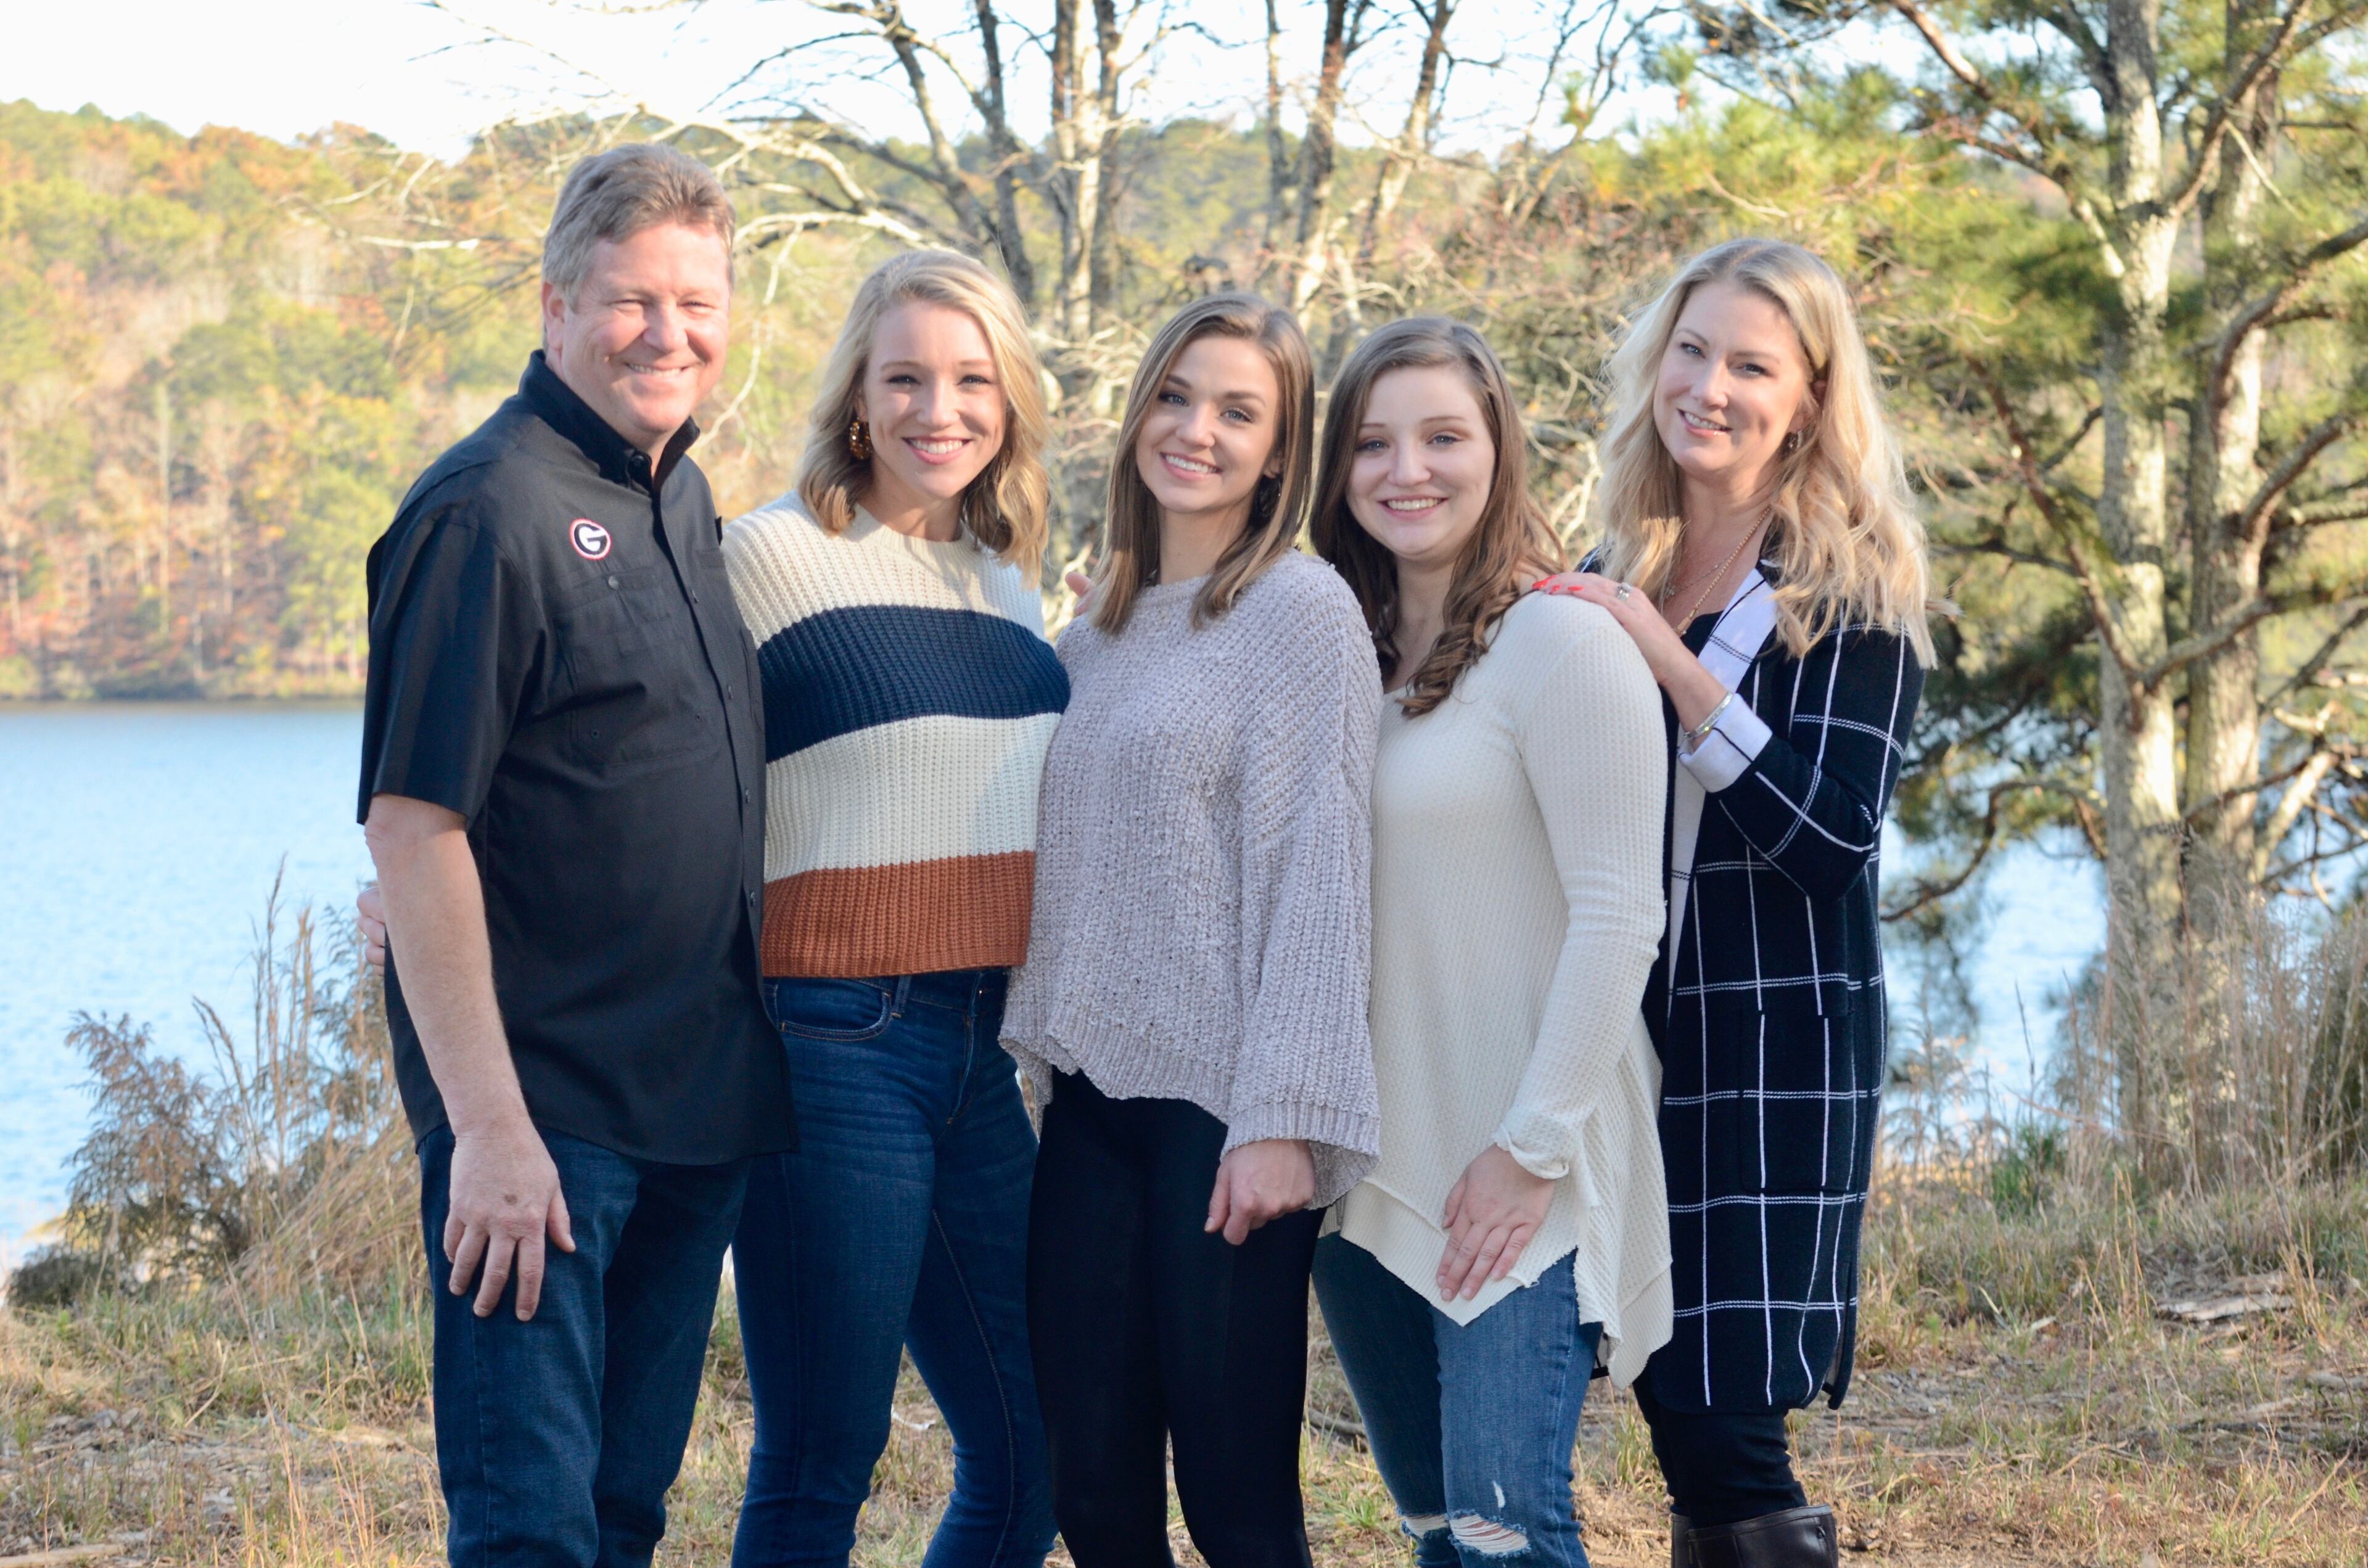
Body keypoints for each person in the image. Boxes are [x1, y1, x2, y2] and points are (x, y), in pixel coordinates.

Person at [356, 143, 792, 1568]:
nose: (670, 335)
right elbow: (416, 829)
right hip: (542, 1126)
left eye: (699, 305)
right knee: (531, 1528)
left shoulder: (682, 494)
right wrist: (484, 1130)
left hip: (690, 1106)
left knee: (621, 1515)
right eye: (632, 301)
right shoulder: (483, 512)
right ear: (555, 303)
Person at [1540, 239, 1933, 1568]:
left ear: (1813, 399)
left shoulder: (1852, 589)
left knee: (1724, 1422)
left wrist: (1659, 654)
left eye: (1752, 365)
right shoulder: (1615, 557)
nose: (1709, 386)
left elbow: (1832, 839)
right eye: (1692, 351)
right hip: (1621, 1033)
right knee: (1666, 1395)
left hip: (1767, 1048)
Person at [1001, 292, 1381, 1568]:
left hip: (1224, 1121)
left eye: (1238, 412)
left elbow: (1320, 873)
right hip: (1089, 1111)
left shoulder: (1298, 610)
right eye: (1175, 395)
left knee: (1240, 1513)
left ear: (1282, 453)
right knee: (1096, 1504)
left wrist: (1284, 1121)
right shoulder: (1091, 634)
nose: (1196, 431)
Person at [1306, 317, 1672, 1568]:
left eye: (1443, 437)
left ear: (1499, 450)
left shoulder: (1564, 645)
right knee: (1437, 1540)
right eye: (1373, 443)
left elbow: (1623, 910)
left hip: (1526, 1158)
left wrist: (1528, 1151)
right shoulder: (1343, 660)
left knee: (1508, 1533)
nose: (1409, 469)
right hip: (1368, 1169)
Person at [718, 250, 1064, 1568]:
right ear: (857, 395)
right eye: (907, 376)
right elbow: (644, 759)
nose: (942, 409)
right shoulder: (767, 558)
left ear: (1011, 401)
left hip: (982, 1055)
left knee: (1039, 1454)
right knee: (821, 1459)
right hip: (830, 1044)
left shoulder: (1004, 583)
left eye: (974, 380)